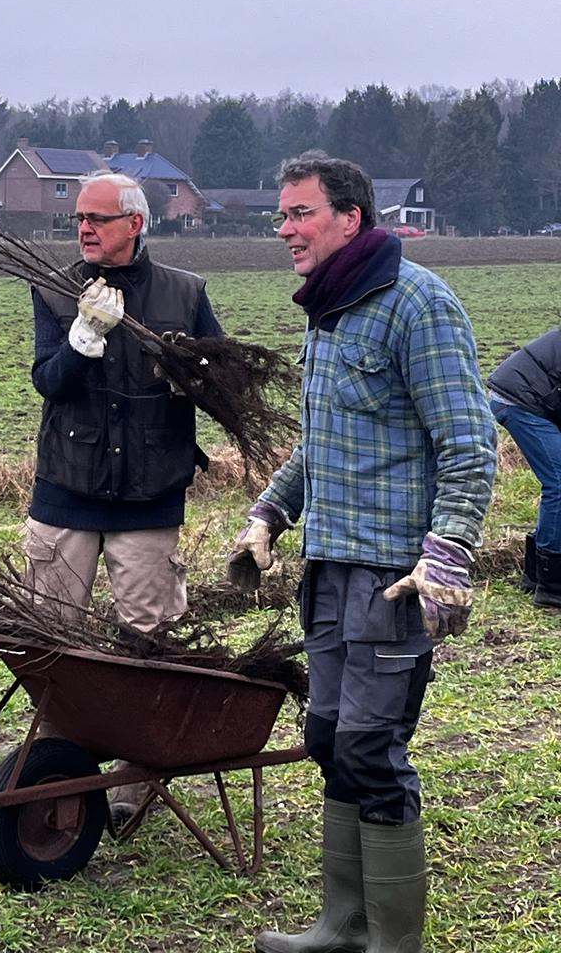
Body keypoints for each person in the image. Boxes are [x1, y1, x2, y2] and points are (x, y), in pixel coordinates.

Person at [228, 153, 496, 953]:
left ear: (350, 218)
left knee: (371, 752)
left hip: (392, 580)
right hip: (329, 570)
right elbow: (323, 443)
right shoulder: (330, 310)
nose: (285, 229)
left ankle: (392, 943)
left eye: (300, 213)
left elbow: (470, 444)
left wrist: (448, 552)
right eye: (281, 215)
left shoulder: (419, 304)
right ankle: (341, 927)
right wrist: (270, 512)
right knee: (329, 741)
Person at [25, 170, 222, 821]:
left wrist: (188, 370)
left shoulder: (185, 293)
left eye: (97, 219)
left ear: (134, 224)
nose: (83, 228)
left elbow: (219, 384)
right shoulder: (55, 288)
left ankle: (139, 777)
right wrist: (82, 340)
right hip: (67, 491)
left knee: (148, 640)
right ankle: (59, 770)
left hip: (149, 495)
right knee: (53, 644)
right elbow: (48, 382)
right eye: (78, 218)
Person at [488, 328, 561, 608]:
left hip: (533, 397)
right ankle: (552, 585)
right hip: (520, 401)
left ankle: (534, 573)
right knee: (559, 482)